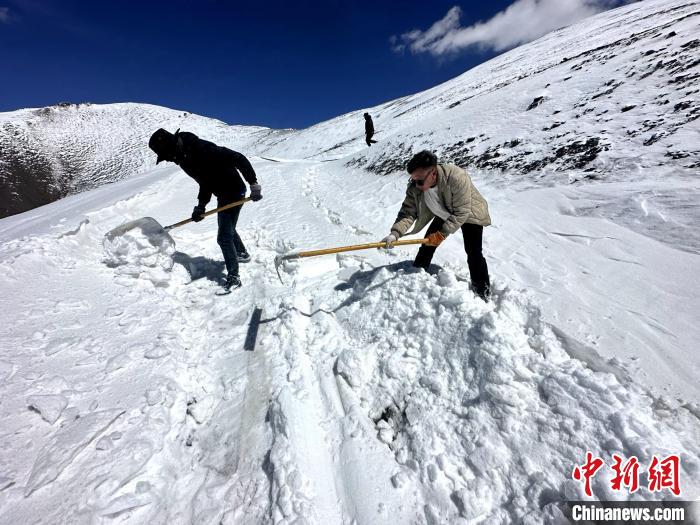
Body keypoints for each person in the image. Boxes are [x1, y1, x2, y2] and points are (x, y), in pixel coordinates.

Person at [148, 128, 262, 292]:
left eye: (168, 156)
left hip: (235, 192)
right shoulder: (183, 159)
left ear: (173, 147)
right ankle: (242, 254)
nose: (169, 160)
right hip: (222, 194)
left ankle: (234, 277)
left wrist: (254, 184)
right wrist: (201, 206)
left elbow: (238, 158)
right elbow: (205, 182)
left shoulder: (202, 148)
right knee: (228, 228)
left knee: (223, 237)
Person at [381, 150, 492, 300]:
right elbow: (408, 212)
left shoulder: (456, 177)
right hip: (444, 211)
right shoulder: (416, 186)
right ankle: (417, 273)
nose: (417, 185)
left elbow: (461, 212)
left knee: (473, 253)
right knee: (428, 243)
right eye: (413, 180)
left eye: (420, 181)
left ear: (433, 173)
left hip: (470, 213)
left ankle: (482, 292)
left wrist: (440, 234)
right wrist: (395, 234)